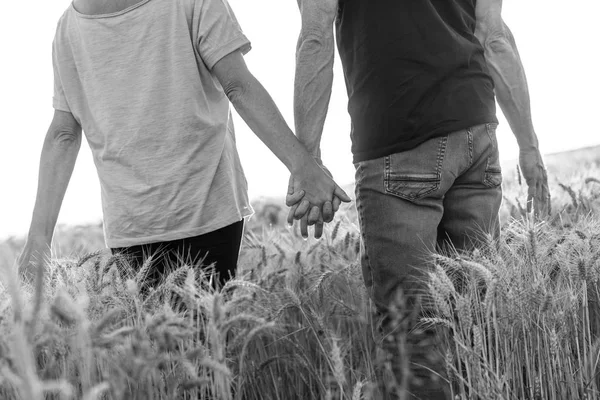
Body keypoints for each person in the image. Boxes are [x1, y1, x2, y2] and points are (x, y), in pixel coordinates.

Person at [286, 0, 550, 398]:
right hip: (476, 134)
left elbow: (315, 36)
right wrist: (528, 145)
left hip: (396, 141)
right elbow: (495, 37)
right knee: (478, 323)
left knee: (412, 338)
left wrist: (308, 160)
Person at [17, 0, 351, 292]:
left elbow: (63, 134)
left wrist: (39, 236)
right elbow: (238, 86)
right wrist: (303, 165)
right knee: (203, 346)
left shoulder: (67, 27)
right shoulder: (72, 27)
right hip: (196, 210)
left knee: (168, 353)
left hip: (150, 220)